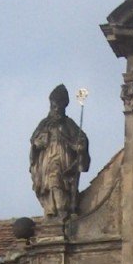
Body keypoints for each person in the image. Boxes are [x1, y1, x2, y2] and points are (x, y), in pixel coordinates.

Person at [30, 84, 90, 220]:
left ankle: (62, 209)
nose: (56, 109)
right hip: (47, 160)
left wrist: (80, 146)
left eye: (59, 106)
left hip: (64, 159)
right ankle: (52, 209)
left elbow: (80, 140)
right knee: (51, 182)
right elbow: (34, 141)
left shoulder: (69, 124)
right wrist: (37, 144)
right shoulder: (44, 124)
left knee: (60, 181)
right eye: (54, 105)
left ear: (64, 106)